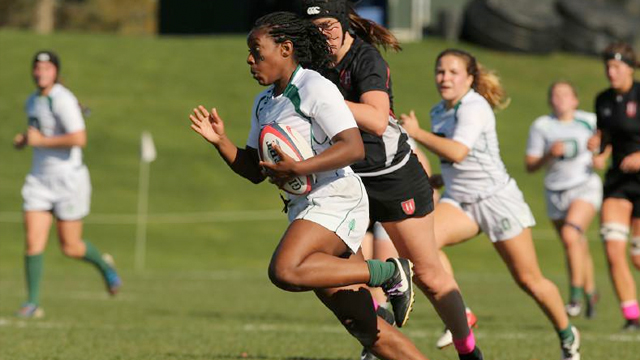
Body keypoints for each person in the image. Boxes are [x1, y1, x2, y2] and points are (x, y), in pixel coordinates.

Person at [189, 12, 436, 359]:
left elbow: (353, 146)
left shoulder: (315, 87)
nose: (249, 59)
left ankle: (389, 271)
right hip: (306, 209)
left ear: (286, 49)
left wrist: (299, 167)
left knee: (285, 269)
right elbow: (254, 170)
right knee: (369, 330)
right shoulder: (264, 104)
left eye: (257, 51)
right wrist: (220, 141)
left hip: (337, 198)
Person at [297, 2, 483, 360]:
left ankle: (468, 350)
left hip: (392, 178)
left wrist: (325, 99)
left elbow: (378, 120)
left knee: (429, 274)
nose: (323, 36)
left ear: (343, 23)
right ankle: (377, 340)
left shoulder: (365, 60)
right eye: (315, 29)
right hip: (347, 182)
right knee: (347, 275)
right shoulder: (314, 64)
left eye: (328, 26)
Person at [400, 48, 580, 360]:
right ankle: (462, 313)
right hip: (461, 203)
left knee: (529, 280)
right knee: (421, 247)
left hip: (497, 201)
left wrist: (417, 134)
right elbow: (455, 161)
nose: (445, 78)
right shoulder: (438, 111)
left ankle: (567, 335)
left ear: (469, 78)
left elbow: (458, 152)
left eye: (453, 72)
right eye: (440, 71)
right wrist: (442, 178)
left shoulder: (475, 106)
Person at [12, 50, 121, 319]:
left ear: (55, 72)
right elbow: (41, 133)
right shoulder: (32, 100)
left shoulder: (62, 99)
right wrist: (25, 140)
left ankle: (105, 266)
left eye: (47, 68)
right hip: (39, 179)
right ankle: (32, 303)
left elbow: (78, 138)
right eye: (37, 67)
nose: (41, 72)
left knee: (70, 247)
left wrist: (40, 142)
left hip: (68, 179)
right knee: (32, 242)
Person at [525, 81, 607, 319]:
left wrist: (601, 153)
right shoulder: (542, 126)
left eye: (565, 94)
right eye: (555, 94)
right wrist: (549, 154)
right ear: (550, 100)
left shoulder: (590, 121)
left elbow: (611, 141)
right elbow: (530, 165)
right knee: (576, 244)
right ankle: (591, 292)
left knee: (571, 236)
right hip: (555, 191)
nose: (560, 98)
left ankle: (575, 298)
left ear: (575, 100)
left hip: (584, 187)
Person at [588, 42, 640, 331]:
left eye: (617, 66)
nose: (611, 72)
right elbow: (605, 136)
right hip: (618, 183)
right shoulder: (603, 99)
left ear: (630, 68)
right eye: (608, 67)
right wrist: (599, 148)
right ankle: (632, 316)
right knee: (612, 248)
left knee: (637, 257)